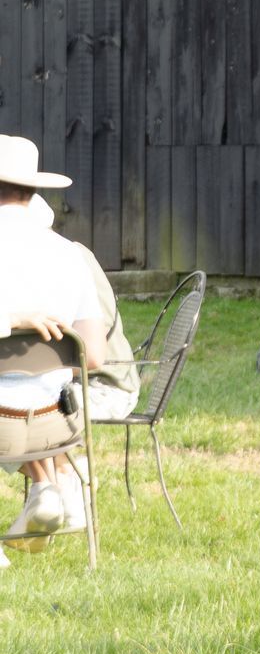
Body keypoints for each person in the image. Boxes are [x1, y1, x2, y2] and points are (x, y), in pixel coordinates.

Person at [0, 136, 133, 560]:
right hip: (59, 424)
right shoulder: (70, 255)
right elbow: (92, 355)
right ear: (32, 189)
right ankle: (46, 487)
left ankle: (45, 489)